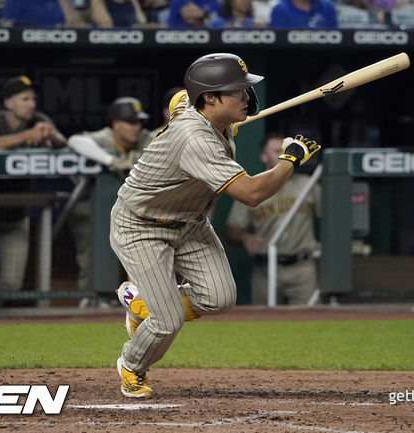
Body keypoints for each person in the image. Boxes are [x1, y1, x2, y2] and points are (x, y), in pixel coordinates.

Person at [111, 53, 321, 398]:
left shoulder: (197, 113)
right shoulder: (195, 140)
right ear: (209, 97)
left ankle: (140, 305)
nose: (246, 97)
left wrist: (220, 125)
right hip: (141, 226)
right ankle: (133, 366)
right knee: (166, 322)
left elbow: (180, 100)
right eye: (236, 90)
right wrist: (289, 160)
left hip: (189, 222)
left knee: (220, 297)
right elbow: (251, 194)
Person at [0, 75, 66, 295]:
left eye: (32, 99)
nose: (31, 104)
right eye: (24, 99)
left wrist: (49, 135)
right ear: (9, 103)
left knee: (11, 285)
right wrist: (27, 136)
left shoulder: (38, 119)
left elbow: (63, 142)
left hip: (17, 215)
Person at [66, 97, 152, 297]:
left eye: (138, 122)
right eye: (130, 122)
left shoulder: (145, 138)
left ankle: (140, 304)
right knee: (93, 259)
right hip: (96, 212)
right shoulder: (105, 137)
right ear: (115, 123)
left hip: (134, 213)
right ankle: (91, 304)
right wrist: (111, 160)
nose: (136, 127)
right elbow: (75, 140)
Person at [225, 133, 321, 305]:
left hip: (302, 267)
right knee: (263, 323)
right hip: (266, 269)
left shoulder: (309, 184)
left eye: (285, 150)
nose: (283, 154)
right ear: (264, 156)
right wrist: (245, 238)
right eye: (277, 151)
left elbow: (333, 219)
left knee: (309, 322)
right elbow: (232, 230)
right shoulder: (253, 187)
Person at [1, 0, 85, 27]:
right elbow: (7, 26)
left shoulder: (57, 2)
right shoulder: (17, 1)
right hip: (26, 50)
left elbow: (76, 22)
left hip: (58, 50)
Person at [269, 0, 337, 28]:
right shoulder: (279, 9)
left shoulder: (327, 6)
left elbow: (336, 38)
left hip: (324, 56)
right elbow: (278, 42)